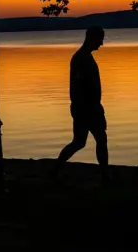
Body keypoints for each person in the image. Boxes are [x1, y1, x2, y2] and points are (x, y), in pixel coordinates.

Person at [53, 26, 110, 182]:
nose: (101, 44)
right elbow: (79, 86)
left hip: (86, 108)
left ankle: (56, 169)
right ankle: (105, 176)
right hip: (87, 109)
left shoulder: (83, 57)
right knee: (94, 140)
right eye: (100, 39)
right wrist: (92, 108)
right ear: (92, 38)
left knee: (83, 142)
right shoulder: (81, 59)